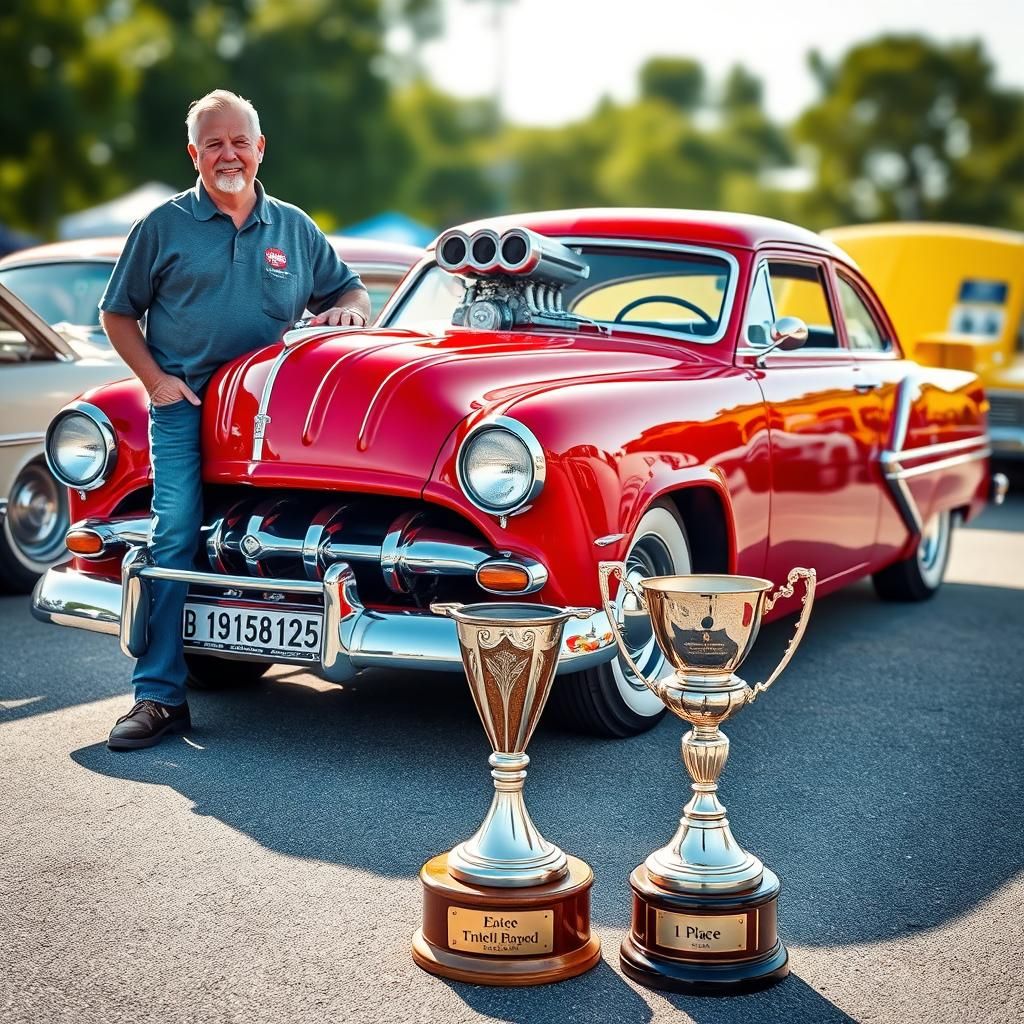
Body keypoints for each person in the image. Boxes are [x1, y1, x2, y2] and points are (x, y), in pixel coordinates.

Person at [99, 90, 370, 751]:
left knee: (281, 536)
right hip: (187, 410)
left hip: (279, 420)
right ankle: (159, 697)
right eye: (213, 143)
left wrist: (351, 313)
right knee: (173, 538)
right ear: (194, 154)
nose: (228, 154)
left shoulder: (295, 228)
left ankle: (288, 637)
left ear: (260, 148)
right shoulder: (162, 226)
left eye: (239, 141)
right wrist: (158, 383)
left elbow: (349, 288)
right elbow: (117, 314)